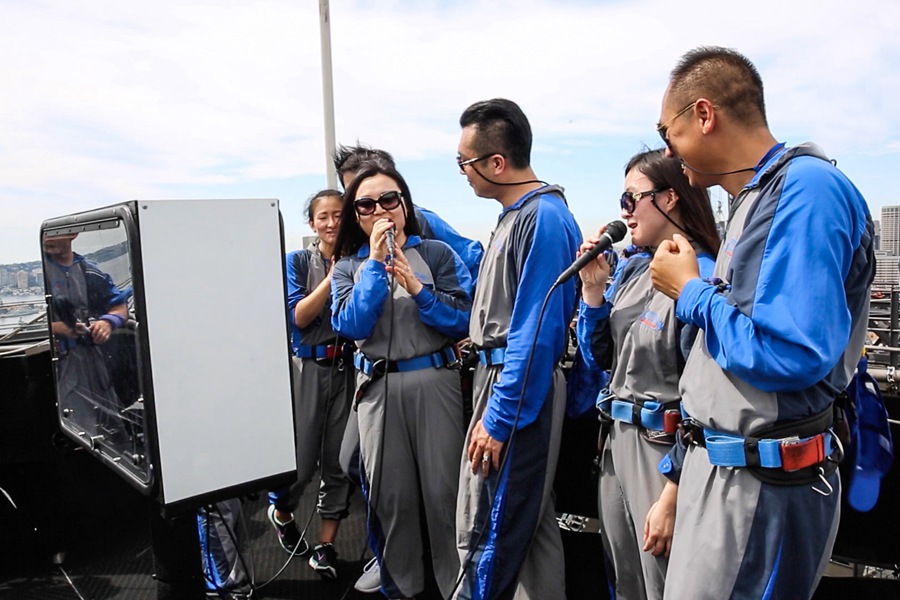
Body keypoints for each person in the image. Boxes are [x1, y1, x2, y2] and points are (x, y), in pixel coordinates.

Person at [649, 46, 874, 599]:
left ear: (704, 115)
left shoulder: (807, 189)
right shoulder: (755, 198)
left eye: (667, 131)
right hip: (724, 470)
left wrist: (690, 290)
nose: (668, 151)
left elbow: (787, 352)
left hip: (760, 482)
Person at [332, 143, 483, 594]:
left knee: (443, 493)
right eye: (366, 203)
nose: (380, 210)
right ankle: (402, 585)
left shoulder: (436, 254)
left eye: (389, 200)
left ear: (405, 205)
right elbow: (352, 323)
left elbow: (462, 318)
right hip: (378, 389)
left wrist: (419, 289)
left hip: (435, 382)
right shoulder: (348, 266)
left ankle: (455, 585)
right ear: (354, 214)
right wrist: (376, 266)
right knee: (389, 498)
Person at [575, 148, 719, 599]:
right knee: (624, 575)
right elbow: (602, 357)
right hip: (617, 444)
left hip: (664, 451)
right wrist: (593, 292)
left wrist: (674, 490)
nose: (625, 211)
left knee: (662, 579)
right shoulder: (636, 270)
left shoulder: (702, 277)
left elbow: (710, 399)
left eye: (631, 197)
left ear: (670, 198)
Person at [454, 98, 581, 600]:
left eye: (465, 162)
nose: (463, 172)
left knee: (492, 527)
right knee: (528, 525)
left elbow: (536, 329)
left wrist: (501, 418)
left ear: (496, 163)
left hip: (515, 390)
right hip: (501, 380)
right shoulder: (515, 216)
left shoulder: (543, 219)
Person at [265, 189, 355, 579]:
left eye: (339, 215)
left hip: (346, 370)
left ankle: (326, 544)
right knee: (301, 465)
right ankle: (282, 511)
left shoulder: (359, 259)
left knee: (338, 463)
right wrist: (334, 276)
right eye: (324, 217)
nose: (332, 223)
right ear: (312, 223)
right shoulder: (298, 262)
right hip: (308, 367)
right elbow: (299, 317)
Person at [333, 144, 484, 283]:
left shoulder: (422, 219)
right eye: (352, 193)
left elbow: (471, 256)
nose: (377, 210)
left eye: (387, 199)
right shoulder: (348, 257)